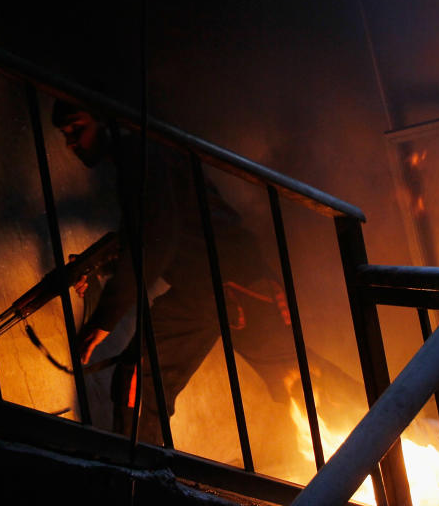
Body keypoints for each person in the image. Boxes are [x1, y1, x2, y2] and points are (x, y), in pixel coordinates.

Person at [53, 100, 299, 445]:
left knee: (141, 376)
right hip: (222, 283)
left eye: (77, 128)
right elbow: (153, 235)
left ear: (105, 119)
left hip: (226, 283)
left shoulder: (143, 154)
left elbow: (158, 240)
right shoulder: (141, 155)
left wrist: (103, 320)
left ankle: (140, 479)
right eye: (66, 134)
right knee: (301, 382)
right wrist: (102, 268)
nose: (72, 142)